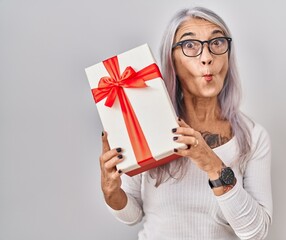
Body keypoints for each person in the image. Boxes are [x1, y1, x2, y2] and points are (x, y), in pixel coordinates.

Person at [99, 6, 272, 240]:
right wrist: (111, 191)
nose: (207, 57)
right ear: (172, 61)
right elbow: (132, 215)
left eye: (217, 42)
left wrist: (212, 165)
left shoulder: (253, 137)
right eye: (190, 45)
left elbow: (256, 232)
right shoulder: (145, 126)